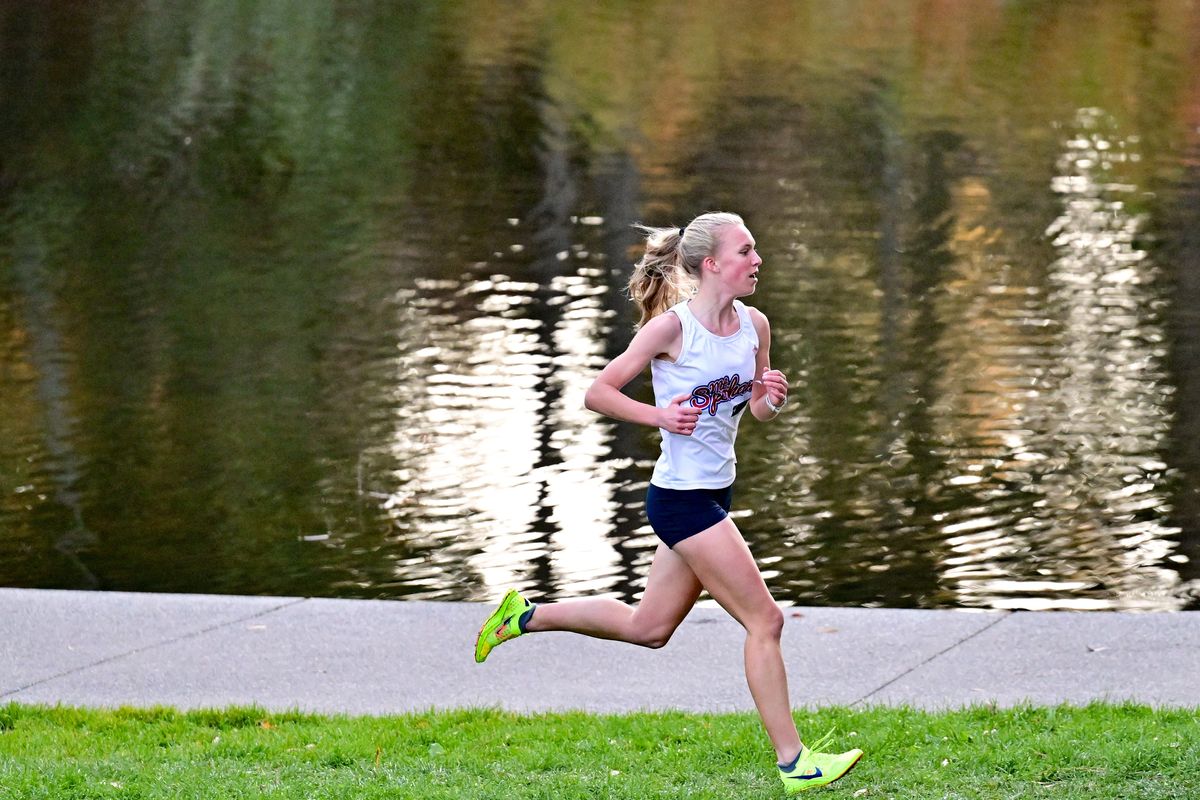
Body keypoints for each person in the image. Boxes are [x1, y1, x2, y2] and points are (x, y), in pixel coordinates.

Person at [474, 212, 862, 794]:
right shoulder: (670, 330)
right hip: (680, 501)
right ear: (712, 265)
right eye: (746, 251)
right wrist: (658, 415)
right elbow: (597, 392)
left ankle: (524, 616)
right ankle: (794, 764)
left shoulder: (755, 325)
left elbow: (753, 409)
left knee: (649, 628)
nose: (757, 261)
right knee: (766, 620)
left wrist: (771, 399)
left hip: (713, 493)